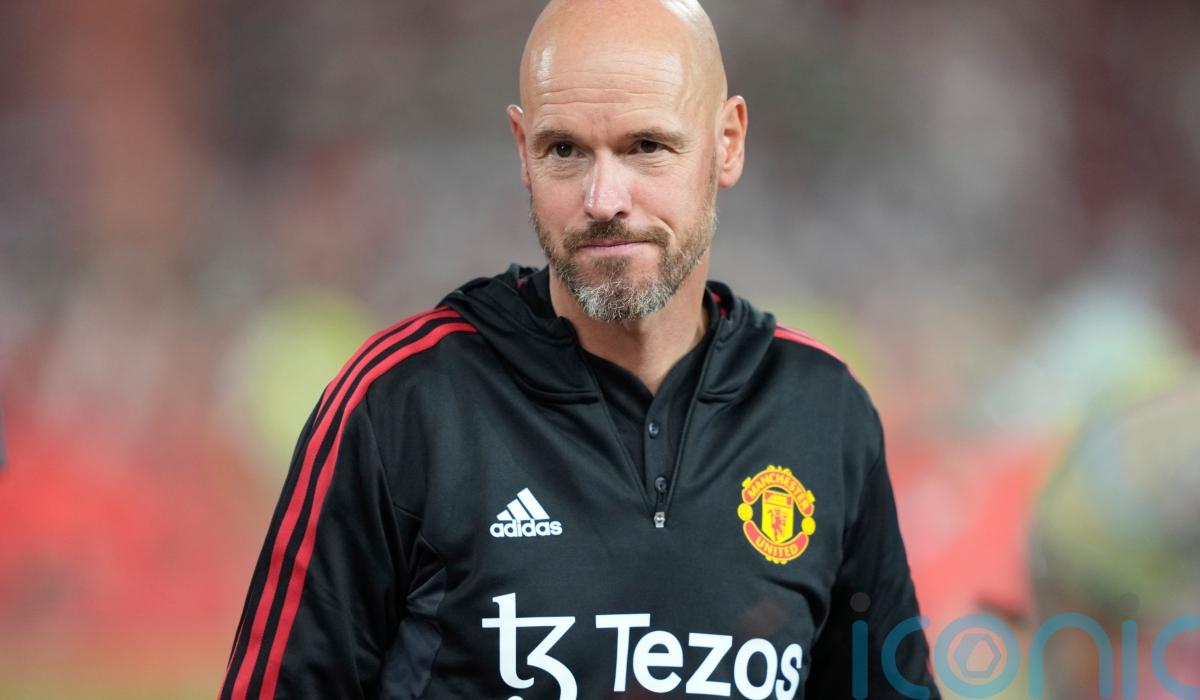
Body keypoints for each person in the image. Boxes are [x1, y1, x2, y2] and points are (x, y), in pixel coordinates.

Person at [220, 1, 939, 698]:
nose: (603, 198)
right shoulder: (402, 405)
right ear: (522, 152)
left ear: (728, 142)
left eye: (646, 147)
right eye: (564, 150)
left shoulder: (823, 412)